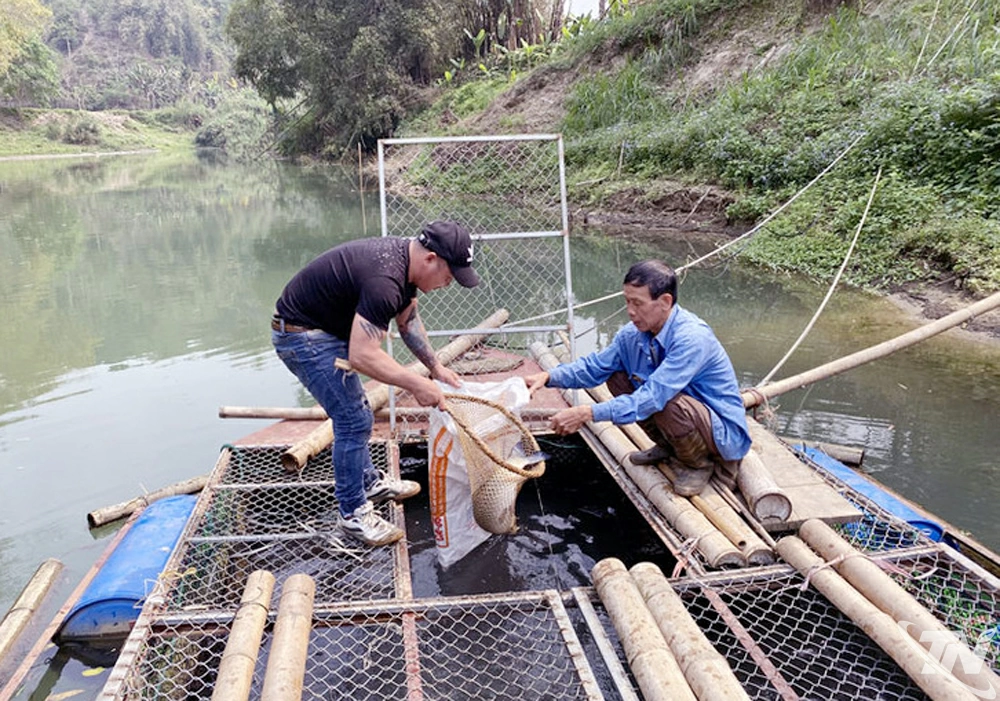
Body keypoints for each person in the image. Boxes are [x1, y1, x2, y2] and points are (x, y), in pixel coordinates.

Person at [271, 220, 480, 546]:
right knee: (352, 420)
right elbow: (362, 355)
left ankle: (368, 483)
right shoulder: (385, 281)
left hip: (325, 330)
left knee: (357, 413)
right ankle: (353, 515)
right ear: (430, 259)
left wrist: (435, 368)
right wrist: (417, 384)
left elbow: (408, 321)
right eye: (449, 275)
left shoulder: (404, 267)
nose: (448, 283)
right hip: (302, 336)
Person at [524, 259, 750, 497]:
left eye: (638, 303)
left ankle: (697, 464)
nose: (630, 311)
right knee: (617, 378)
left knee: (665, 402)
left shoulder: (692, 338)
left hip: (719, 430)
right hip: (683, 418)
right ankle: (669, 446)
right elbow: (595, 368)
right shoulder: (632, 335)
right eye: (627, 301)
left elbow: (653, 397)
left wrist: (587, 413)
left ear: (665, 302)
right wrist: (548, 376)